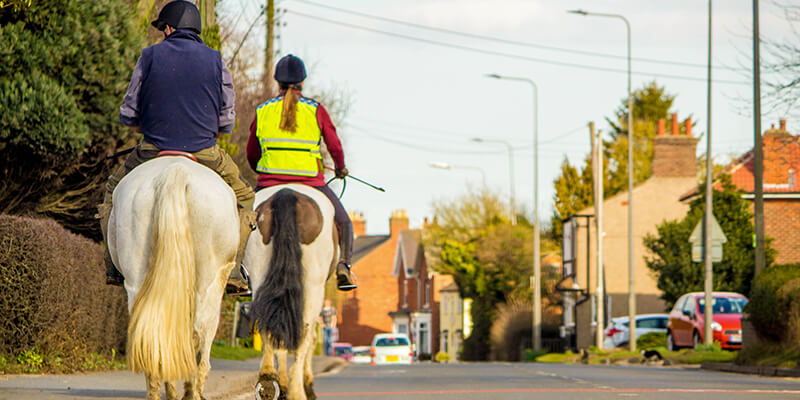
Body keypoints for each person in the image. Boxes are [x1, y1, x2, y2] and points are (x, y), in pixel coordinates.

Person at [98, 0, 255, 294]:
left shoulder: (149, 56)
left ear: (169, 29)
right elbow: (227, 122)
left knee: (112, 189)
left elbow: (129, 113)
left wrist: (148, 127)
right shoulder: (216, 59)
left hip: (153, 148)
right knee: (246, 198)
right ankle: (234, 270)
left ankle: (113, 265)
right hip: (204, 150)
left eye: (162, 30)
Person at [246, 54, 357, 291]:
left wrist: (264, 169)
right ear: (302, 83)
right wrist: (339, 167)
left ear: (277, 82)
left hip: (268, 183)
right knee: (345, 222)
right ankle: (344, 268)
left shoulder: (263, 110)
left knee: (241, 220)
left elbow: (252, 153)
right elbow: (334, 145)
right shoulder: (315, 110)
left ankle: (238, 270)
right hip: (312, 183)